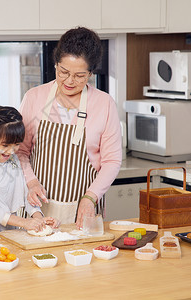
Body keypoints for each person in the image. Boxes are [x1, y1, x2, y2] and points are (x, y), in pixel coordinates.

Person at [17, 27, 122, 229]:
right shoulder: (34, 97)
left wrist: (90, 198)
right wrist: (31, 182)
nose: (69, 81)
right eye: (63, 72)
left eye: (80, 76)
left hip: (83, 210)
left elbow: (112, 160)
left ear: (91, 73)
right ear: (55, 64)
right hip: (37, 209)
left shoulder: (104, 103)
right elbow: (20, 151)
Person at [0, 106, 58, 238]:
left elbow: (26, 195)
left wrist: (38, 218)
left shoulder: (14, 159)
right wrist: (24, 222)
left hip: (8, 230)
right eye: (5, 145)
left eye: (17, 144)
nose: (11, 151)